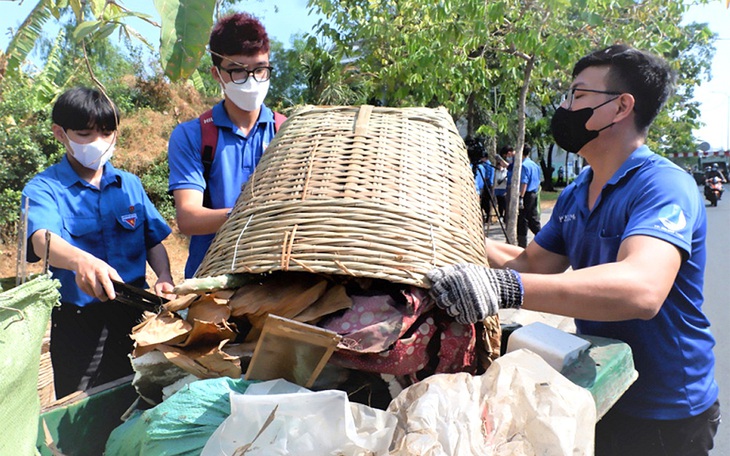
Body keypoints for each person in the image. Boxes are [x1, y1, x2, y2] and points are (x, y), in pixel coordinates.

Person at [428, 44, 720, 455]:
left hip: (666, 409)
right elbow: (531, 263)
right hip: (600, 388)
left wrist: (503, 289)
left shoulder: (663, 185)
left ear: (621, 107)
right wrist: (449, 242)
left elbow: (641, 288)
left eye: (578, 95)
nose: (565, 107)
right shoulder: (575, 193)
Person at [21, 87, 174, 398]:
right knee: (82, 406)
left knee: (142, 395)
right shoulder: (44, 188)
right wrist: (81, 261)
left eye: (106, 133)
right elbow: (41, 239)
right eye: (85, 134)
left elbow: (153, 239)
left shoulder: (129, 185)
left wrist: (165, 276)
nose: (98, 143)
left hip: (134, 316)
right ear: (60, 134)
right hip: (79, 323)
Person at [168, 12, 283, 278]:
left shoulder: (287, 132)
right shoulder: (191, 136)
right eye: (238, 71)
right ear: (217, 74)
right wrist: (250, 215)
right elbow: (188, 217)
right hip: (210, 279)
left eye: (260, 69)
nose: (252, 80)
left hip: (275, 279)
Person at [516, 144, 542, 247]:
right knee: (533, 218)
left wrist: (521, 197)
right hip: (534, 193)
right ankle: (542, 238)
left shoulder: (523, 165)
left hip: (526, 194)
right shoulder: (534, 165)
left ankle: (522, 244)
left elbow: (524, 182)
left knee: (523, 219)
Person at [466, 136, 495, 221]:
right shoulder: (481, 167)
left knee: (486, 204)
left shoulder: (479, 167)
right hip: (480, 189)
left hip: (480, 189)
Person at [494, 145, 514, 220]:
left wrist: (502, 162)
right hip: (503, 187)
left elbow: (510, 167)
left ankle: (507, 218)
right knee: (501, 204)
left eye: (506, 156)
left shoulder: (515, 159)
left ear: (509, 153)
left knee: (507, 205)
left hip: (508, 186)